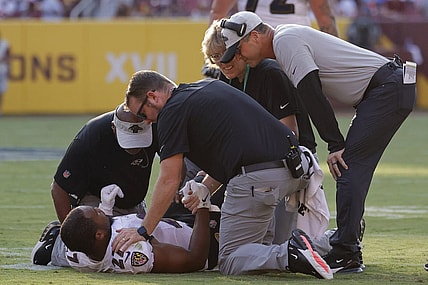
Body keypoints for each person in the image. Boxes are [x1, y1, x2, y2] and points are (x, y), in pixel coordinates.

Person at [218, 11, 416, 273]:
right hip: (387, 87)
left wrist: (335, 144)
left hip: (386, 88)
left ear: (255, 35)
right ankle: (348, 241)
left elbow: (311, 91)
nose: (239, 56)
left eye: (239, 48)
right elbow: (308, 95)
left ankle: (346, 250)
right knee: (351, 168)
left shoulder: (284, 41)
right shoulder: (286, 38)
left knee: (347, 167)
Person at [110, 70, 333, 279]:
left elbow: (169, 179)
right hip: (292, 168)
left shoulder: (171, 111)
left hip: (259, 177)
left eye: (142, 113)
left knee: (230, 260)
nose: (147, 121)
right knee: (258, 252)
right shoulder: (207, 87)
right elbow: (235, 152)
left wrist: (143, 230)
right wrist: (205, 187)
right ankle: (334, 243)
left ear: (153, 96)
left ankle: (292, 253)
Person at [201, 19, 327, 246]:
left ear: (238, 50)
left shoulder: (270, 73)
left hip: (290, 159)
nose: (221, 63)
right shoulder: (225, 78)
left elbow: (290, 134)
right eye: (214, 59)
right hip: (256, 163)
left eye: (224, 55)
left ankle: (337, 240)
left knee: (288, 245)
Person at [31, 103, 159, 266]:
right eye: (129, 139)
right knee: (101, 254)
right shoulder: (91, 136)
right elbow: (59, 188)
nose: (134, 146)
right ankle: (55, 244)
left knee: (138, 246)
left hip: (134, 201)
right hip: (95, 203)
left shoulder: (156, 125)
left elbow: (175, 162)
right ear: (114, 128)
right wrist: (72, 235)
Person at [59, 200, 210, 273]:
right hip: (201, 237)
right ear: (99, 235)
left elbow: (74, 234)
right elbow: (196, 260)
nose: (99, 209)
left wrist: (106, 209)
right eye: (96, 212)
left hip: (173, 220)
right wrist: (202, 206)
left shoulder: (77, 251)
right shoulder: (130, 250)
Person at [208, 0, 338, 35]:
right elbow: (325, 19)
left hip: (252, 44)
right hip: (295, 43)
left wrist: (212, 58)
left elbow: (218, 14)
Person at [0, 30, 10, 115]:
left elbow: (8, 57)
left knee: (1, 90)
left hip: (2, 69)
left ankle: (0, 109)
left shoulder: (4, 44)